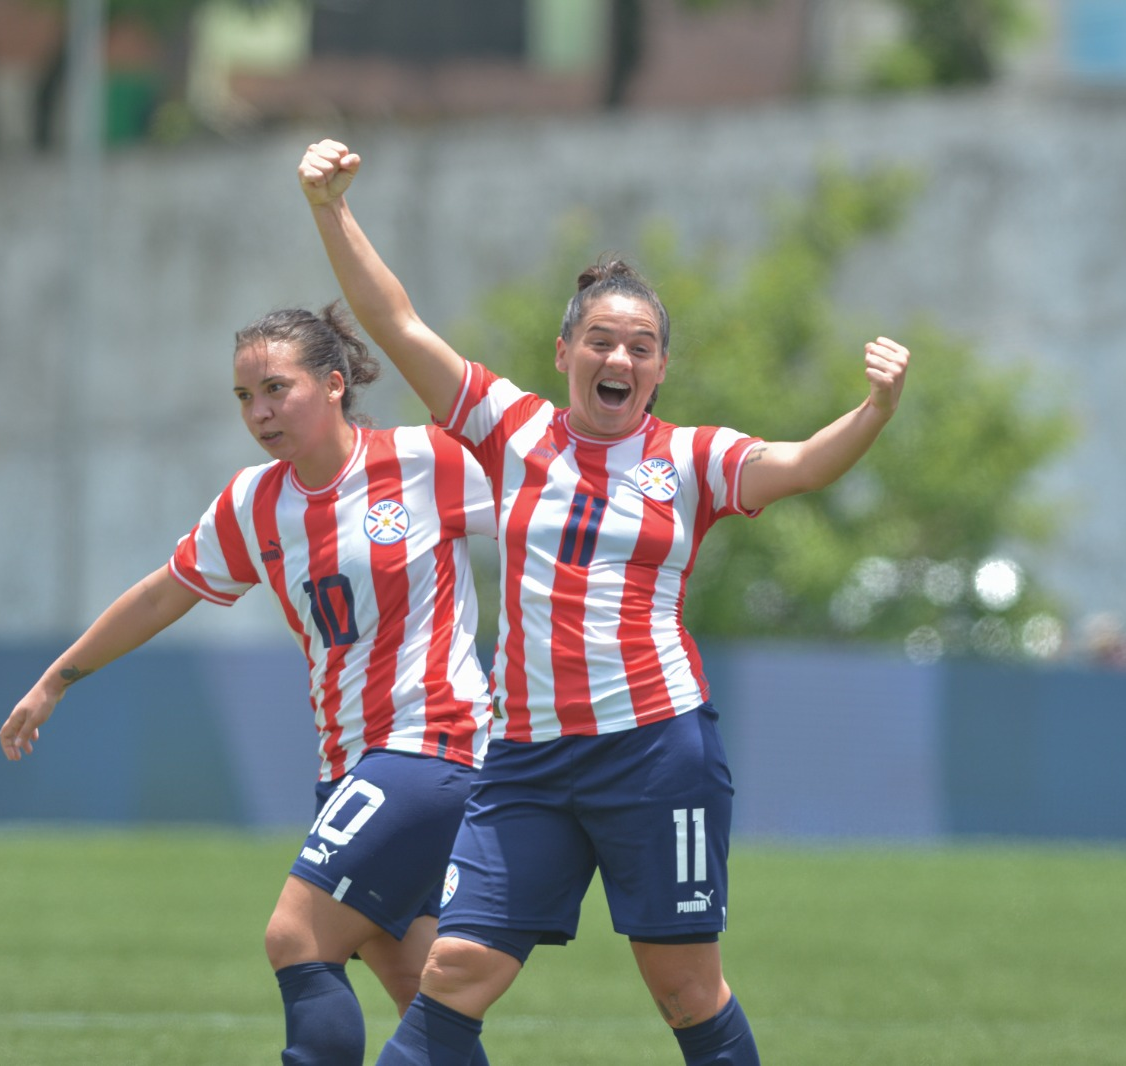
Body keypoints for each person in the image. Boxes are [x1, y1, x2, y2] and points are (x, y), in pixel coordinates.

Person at [298, 137, 911, 1066]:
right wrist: (330, 208)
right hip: (527, 759)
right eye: (601, 340)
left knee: (685, 990)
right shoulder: (512, 429)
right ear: (565, 352)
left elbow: (797, 467)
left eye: (641, 345)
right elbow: (399, 325)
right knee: (453, 971)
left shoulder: (690, 459)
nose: (619, 356)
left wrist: (873, 411)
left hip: (657, 751)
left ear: (660, 368)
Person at [0, 304, 497, 1066]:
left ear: (334, 385)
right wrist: (58, 678)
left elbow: (549, 512)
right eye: (243, 397)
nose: (258, 412)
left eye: (275, 388)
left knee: (295, 936)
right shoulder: (255, 502)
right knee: (417, 988)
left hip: (431, 744)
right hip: (350, 769)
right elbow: (166, 591)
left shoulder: (426, 461)